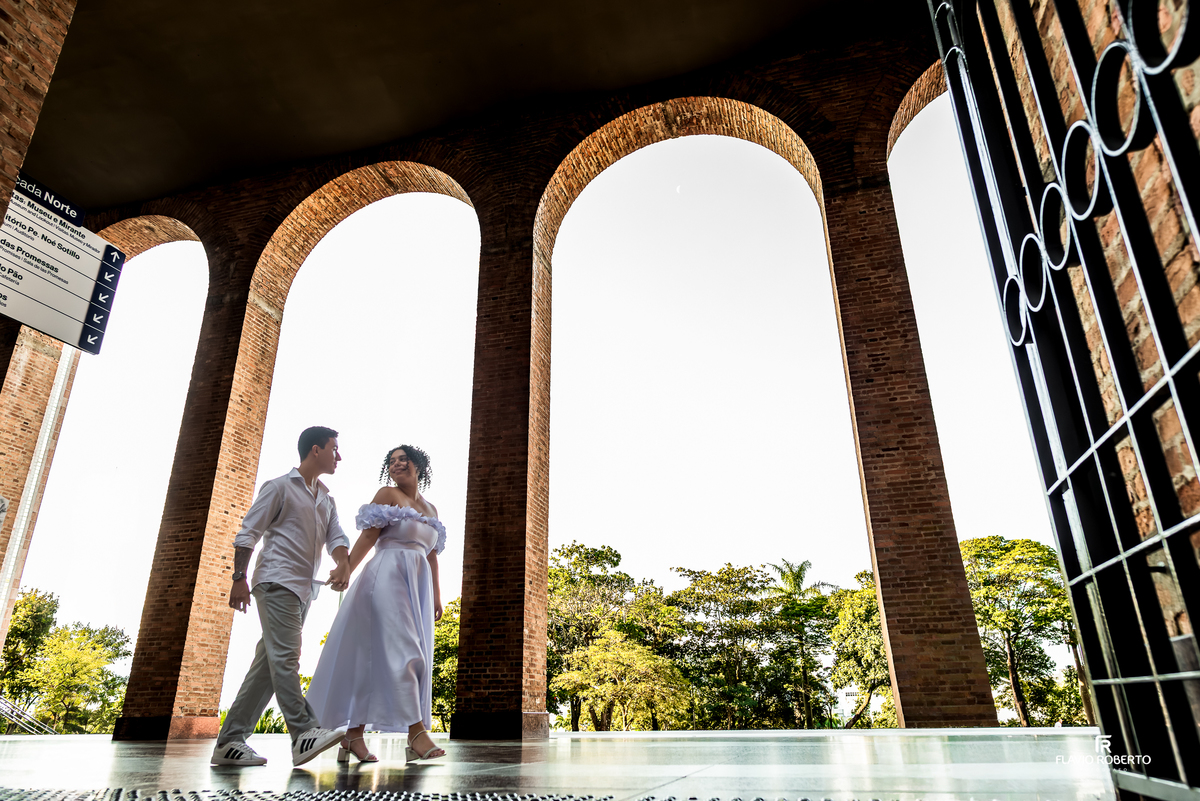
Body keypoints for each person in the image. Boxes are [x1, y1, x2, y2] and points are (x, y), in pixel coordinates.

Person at [211, 426, 352, 768]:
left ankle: (229, 742)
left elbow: (337, 538)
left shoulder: (326, 499)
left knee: (268, 666)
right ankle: (303, 733)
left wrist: (344, 564)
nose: (339, 456)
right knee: (287, 658)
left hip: (303, 591)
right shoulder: (278, 487)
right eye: (335, 449)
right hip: (276, 583)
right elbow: (247, 535)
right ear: (315, 450)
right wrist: (238, 578)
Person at [305, 444, 447, 764]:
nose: (397, 465)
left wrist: (436, 595)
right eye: (392, 461)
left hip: (418, 586)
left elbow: (432, 555)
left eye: (403, 460)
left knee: (370, 658)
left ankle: (353, 735)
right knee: (405, 651)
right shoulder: (386, 494)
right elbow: (368, 538)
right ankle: (416, 733)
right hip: (386, 578)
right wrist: (346, 569)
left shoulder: (432, 509)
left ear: (418, 465)